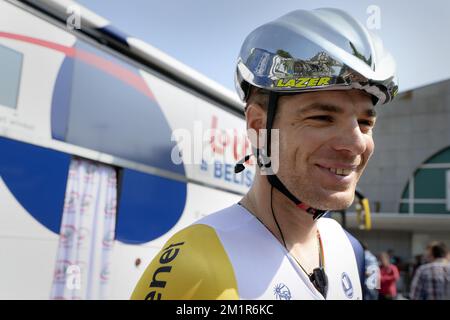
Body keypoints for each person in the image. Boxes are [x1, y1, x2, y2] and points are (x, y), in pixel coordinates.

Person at [131, 8, 398, 300]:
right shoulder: (193, 265)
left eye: (365, 122)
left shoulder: (349, 249)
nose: (357, 143)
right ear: (259, 127)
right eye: (322, 117)